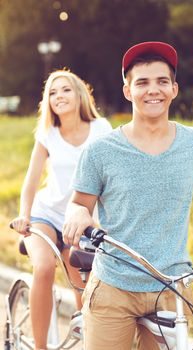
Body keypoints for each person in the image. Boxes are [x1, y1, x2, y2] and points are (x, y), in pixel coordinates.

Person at [62, 42, 193, 350]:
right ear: (128, 90)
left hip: (172, 287)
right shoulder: (102, 151)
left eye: (162, 81)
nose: (153, 90)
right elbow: (79, 203)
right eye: (142, 82)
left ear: (174, 89)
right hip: (115, 284)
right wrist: (77, 215)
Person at [10, 69, 112, 350]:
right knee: (43, 267)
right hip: (45, 214)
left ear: (80, 94)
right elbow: (31, 181)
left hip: (79, 220)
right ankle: (41, 347)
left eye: (65, 89)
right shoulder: (48, 134)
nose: (59, 96)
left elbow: (117, 174)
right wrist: (24, 215)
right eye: (52, 92)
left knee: (83, 288)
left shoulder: (102, 129)